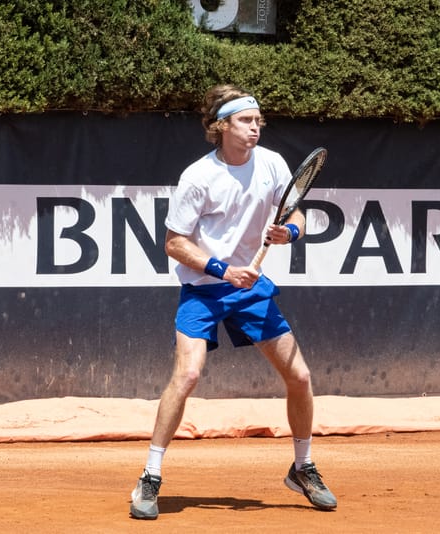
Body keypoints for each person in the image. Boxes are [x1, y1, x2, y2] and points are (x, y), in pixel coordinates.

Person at [129, 84, 337, 520]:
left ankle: (303, 467)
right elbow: (173, 243)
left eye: (258, 120)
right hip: (205, 289)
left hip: (251, 289)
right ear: (221, 126)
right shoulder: (198, 176)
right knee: (187, 375)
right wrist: (223, 270)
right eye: (245, 121)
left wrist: (291, 232)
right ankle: (150, 476)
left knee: (299, 376)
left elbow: (295, 211)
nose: (255, 127)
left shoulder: (274, 164)